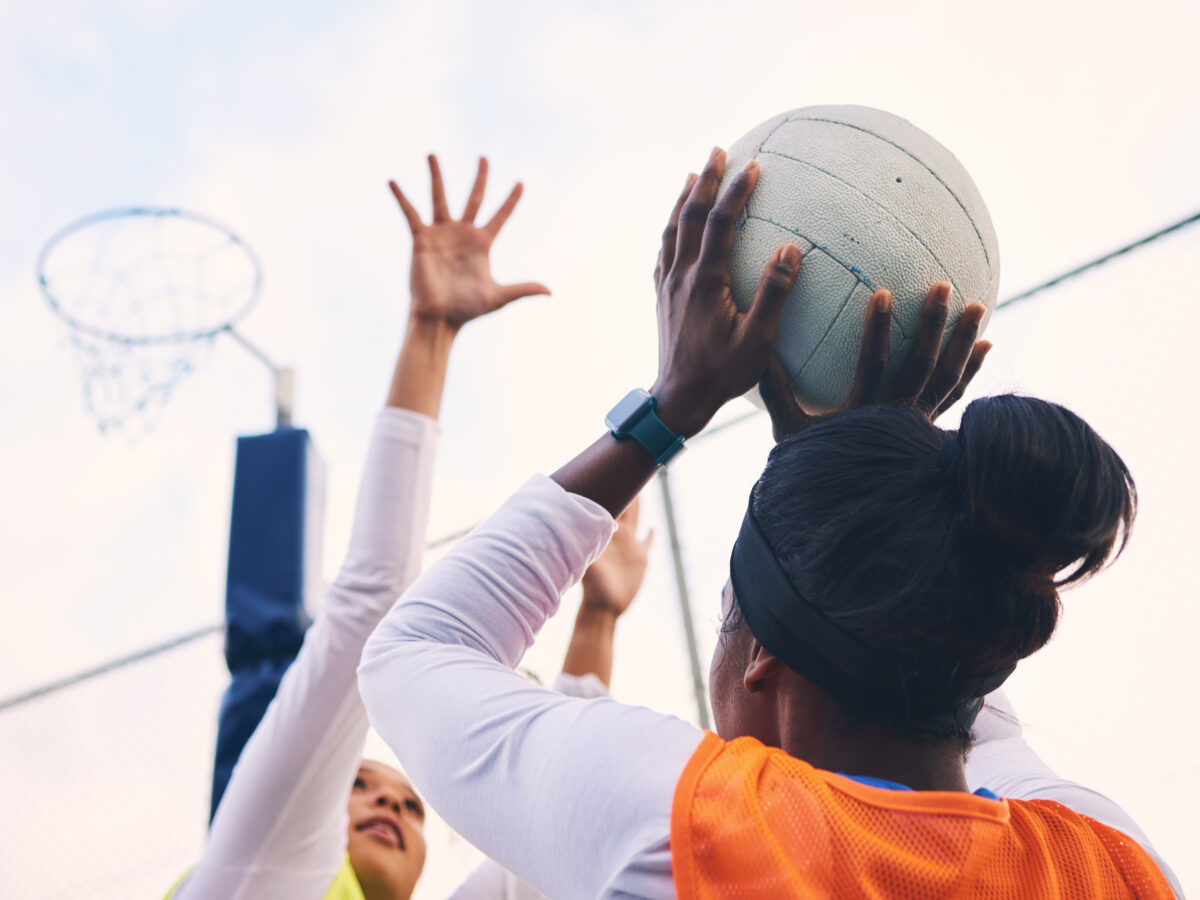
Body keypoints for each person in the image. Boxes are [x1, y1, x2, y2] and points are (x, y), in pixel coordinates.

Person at [358, 147, 1183, 898]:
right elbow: (950, 673)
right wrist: (868, 470)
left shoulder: (700, 831)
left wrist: (670, 405)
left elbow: (414, 649)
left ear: (762, 661)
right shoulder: (1112, 865)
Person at [169, 154, 554, 900]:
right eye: (364, 785)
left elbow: (535, 863)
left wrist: (599, 616)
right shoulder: (264, 869)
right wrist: (430, 333)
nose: (392, 804)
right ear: (311, 805)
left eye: (411, 805)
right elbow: (371, 603)